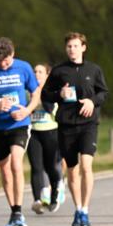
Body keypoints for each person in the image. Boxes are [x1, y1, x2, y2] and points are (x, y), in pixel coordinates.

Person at [41, 32, 109, 226]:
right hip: (66, 125)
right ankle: (77, 208)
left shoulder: (94, 70)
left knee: (86, 166)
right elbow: (45, 94)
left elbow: (104, 92)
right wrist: (58, 94)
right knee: (72, 169)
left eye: (75, 46)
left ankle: (85, 210)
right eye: (69, 46)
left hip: (88, 124)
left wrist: (92, 101)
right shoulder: (59, 71)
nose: (72, 49)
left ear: (83, 47)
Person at [0, 37, 40, 226]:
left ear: (13, 54)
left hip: (19, 123)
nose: (2, 64)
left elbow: (36, 92)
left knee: (15, 163)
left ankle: (19, 211)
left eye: (5, 61)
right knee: (4, 170)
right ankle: (13, 211)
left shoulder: (24, 67)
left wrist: (28, 110)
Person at [28, 63, 65, 215]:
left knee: (51, 167)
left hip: (51, 131)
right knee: (36, 167)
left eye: (40, 72)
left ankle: (55, 195)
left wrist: (39, 98)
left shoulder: (53, 90)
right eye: (35, 71)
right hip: (34, 132)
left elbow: (51, 109)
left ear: (47, 75)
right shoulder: (27, 91)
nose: (37, 74)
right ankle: (37, 200)